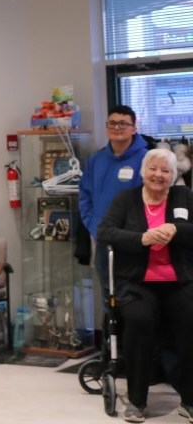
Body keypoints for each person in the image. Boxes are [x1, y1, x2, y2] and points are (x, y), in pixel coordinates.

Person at [97, 148, 193, 423]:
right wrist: (142, 238)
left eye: (165, 170)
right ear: (143, 172)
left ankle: (190, 400)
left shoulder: (183, 197)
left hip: (180, 280)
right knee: (139, 320)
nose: (159, 175)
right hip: (138, 282)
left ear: (174, 175)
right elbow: (105, 232)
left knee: (191, 319)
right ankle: (137, 401)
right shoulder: (126, 199)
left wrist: (177, 229)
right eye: (153, 168)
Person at [80, 104, 148, 297]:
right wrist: (93, 225)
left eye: (123, 124)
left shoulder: (146, 159)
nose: (117, 127)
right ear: (106, 126)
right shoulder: (96, 160)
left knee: (134, 296)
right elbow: (85, 196)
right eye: (112, 123)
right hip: (103, 239)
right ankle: (111, 328)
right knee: (107, 295)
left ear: (134, 128)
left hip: (134, 242)